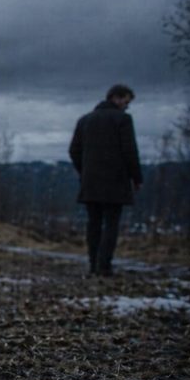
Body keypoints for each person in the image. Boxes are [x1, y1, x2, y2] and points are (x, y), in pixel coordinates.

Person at [68, 84, 143, 277]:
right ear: (116, 98)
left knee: (94, 222)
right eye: (126, 102)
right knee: (111, 223)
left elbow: (74, 151)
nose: (127, 106)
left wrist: (85, 171)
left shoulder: (84, 120)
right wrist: (136, 177)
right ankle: (104, 265)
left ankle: (93, 264)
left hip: (90, 181)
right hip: (115, 180)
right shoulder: (123, 120)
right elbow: (130, 151)